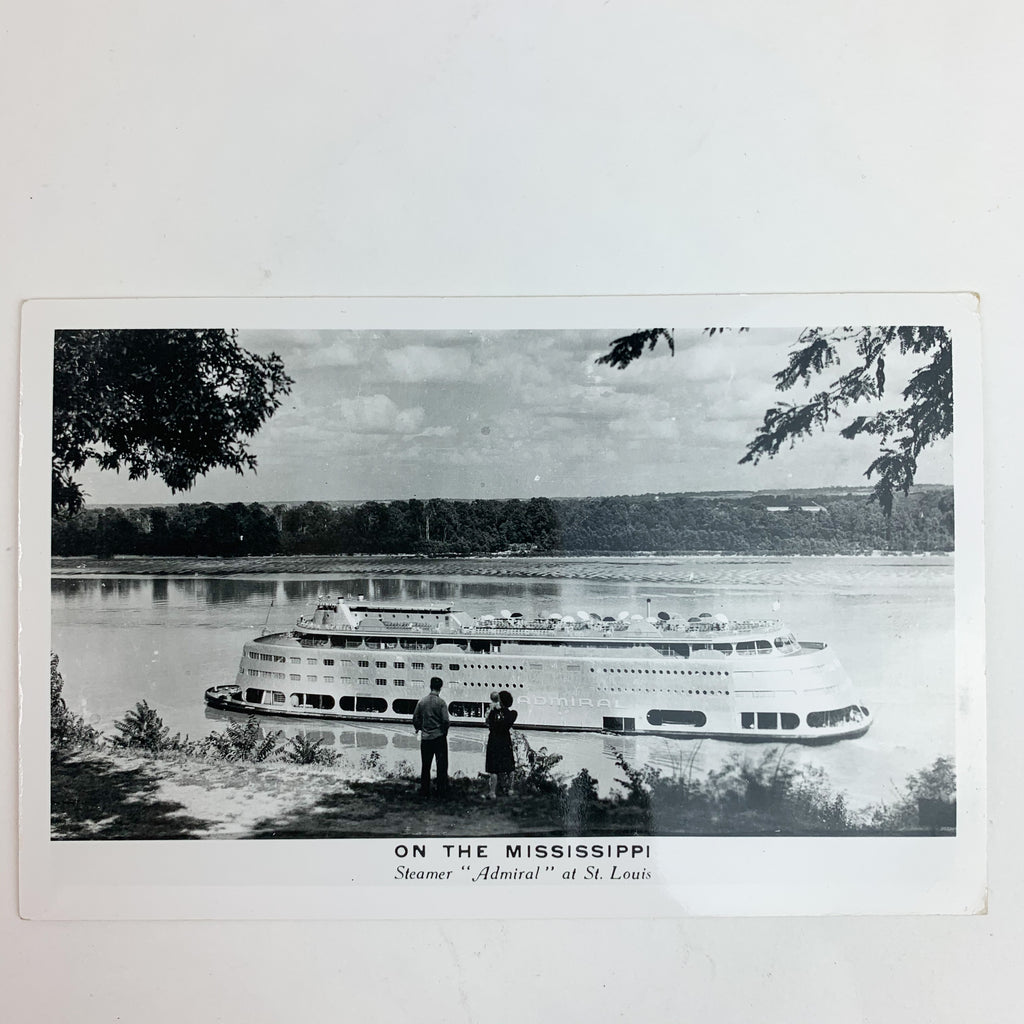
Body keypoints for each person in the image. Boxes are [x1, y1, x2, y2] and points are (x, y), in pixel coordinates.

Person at [413, 677, 450, 798]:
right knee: (442, 765)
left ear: (430, 686)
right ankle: (441, 791)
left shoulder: (422, 702)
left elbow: (415, 719)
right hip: (439, 737)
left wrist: (420, 728)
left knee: (426, 765)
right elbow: (445, 720)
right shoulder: (441, 703)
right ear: (440, 687)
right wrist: (444, 732)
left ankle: (425, 790)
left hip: (426, 738)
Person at [485, 689, 518, 798]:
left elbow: (487, 723)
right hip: (505, 740)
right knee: (509, 766)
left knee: (493, 768)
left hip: (494, 740)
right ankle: (511, 790)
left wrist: (492, 709)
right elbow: (510, 717)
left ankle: (492, 792)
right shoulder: (512, 714)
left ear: (500, 701)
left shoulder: (493, 713)